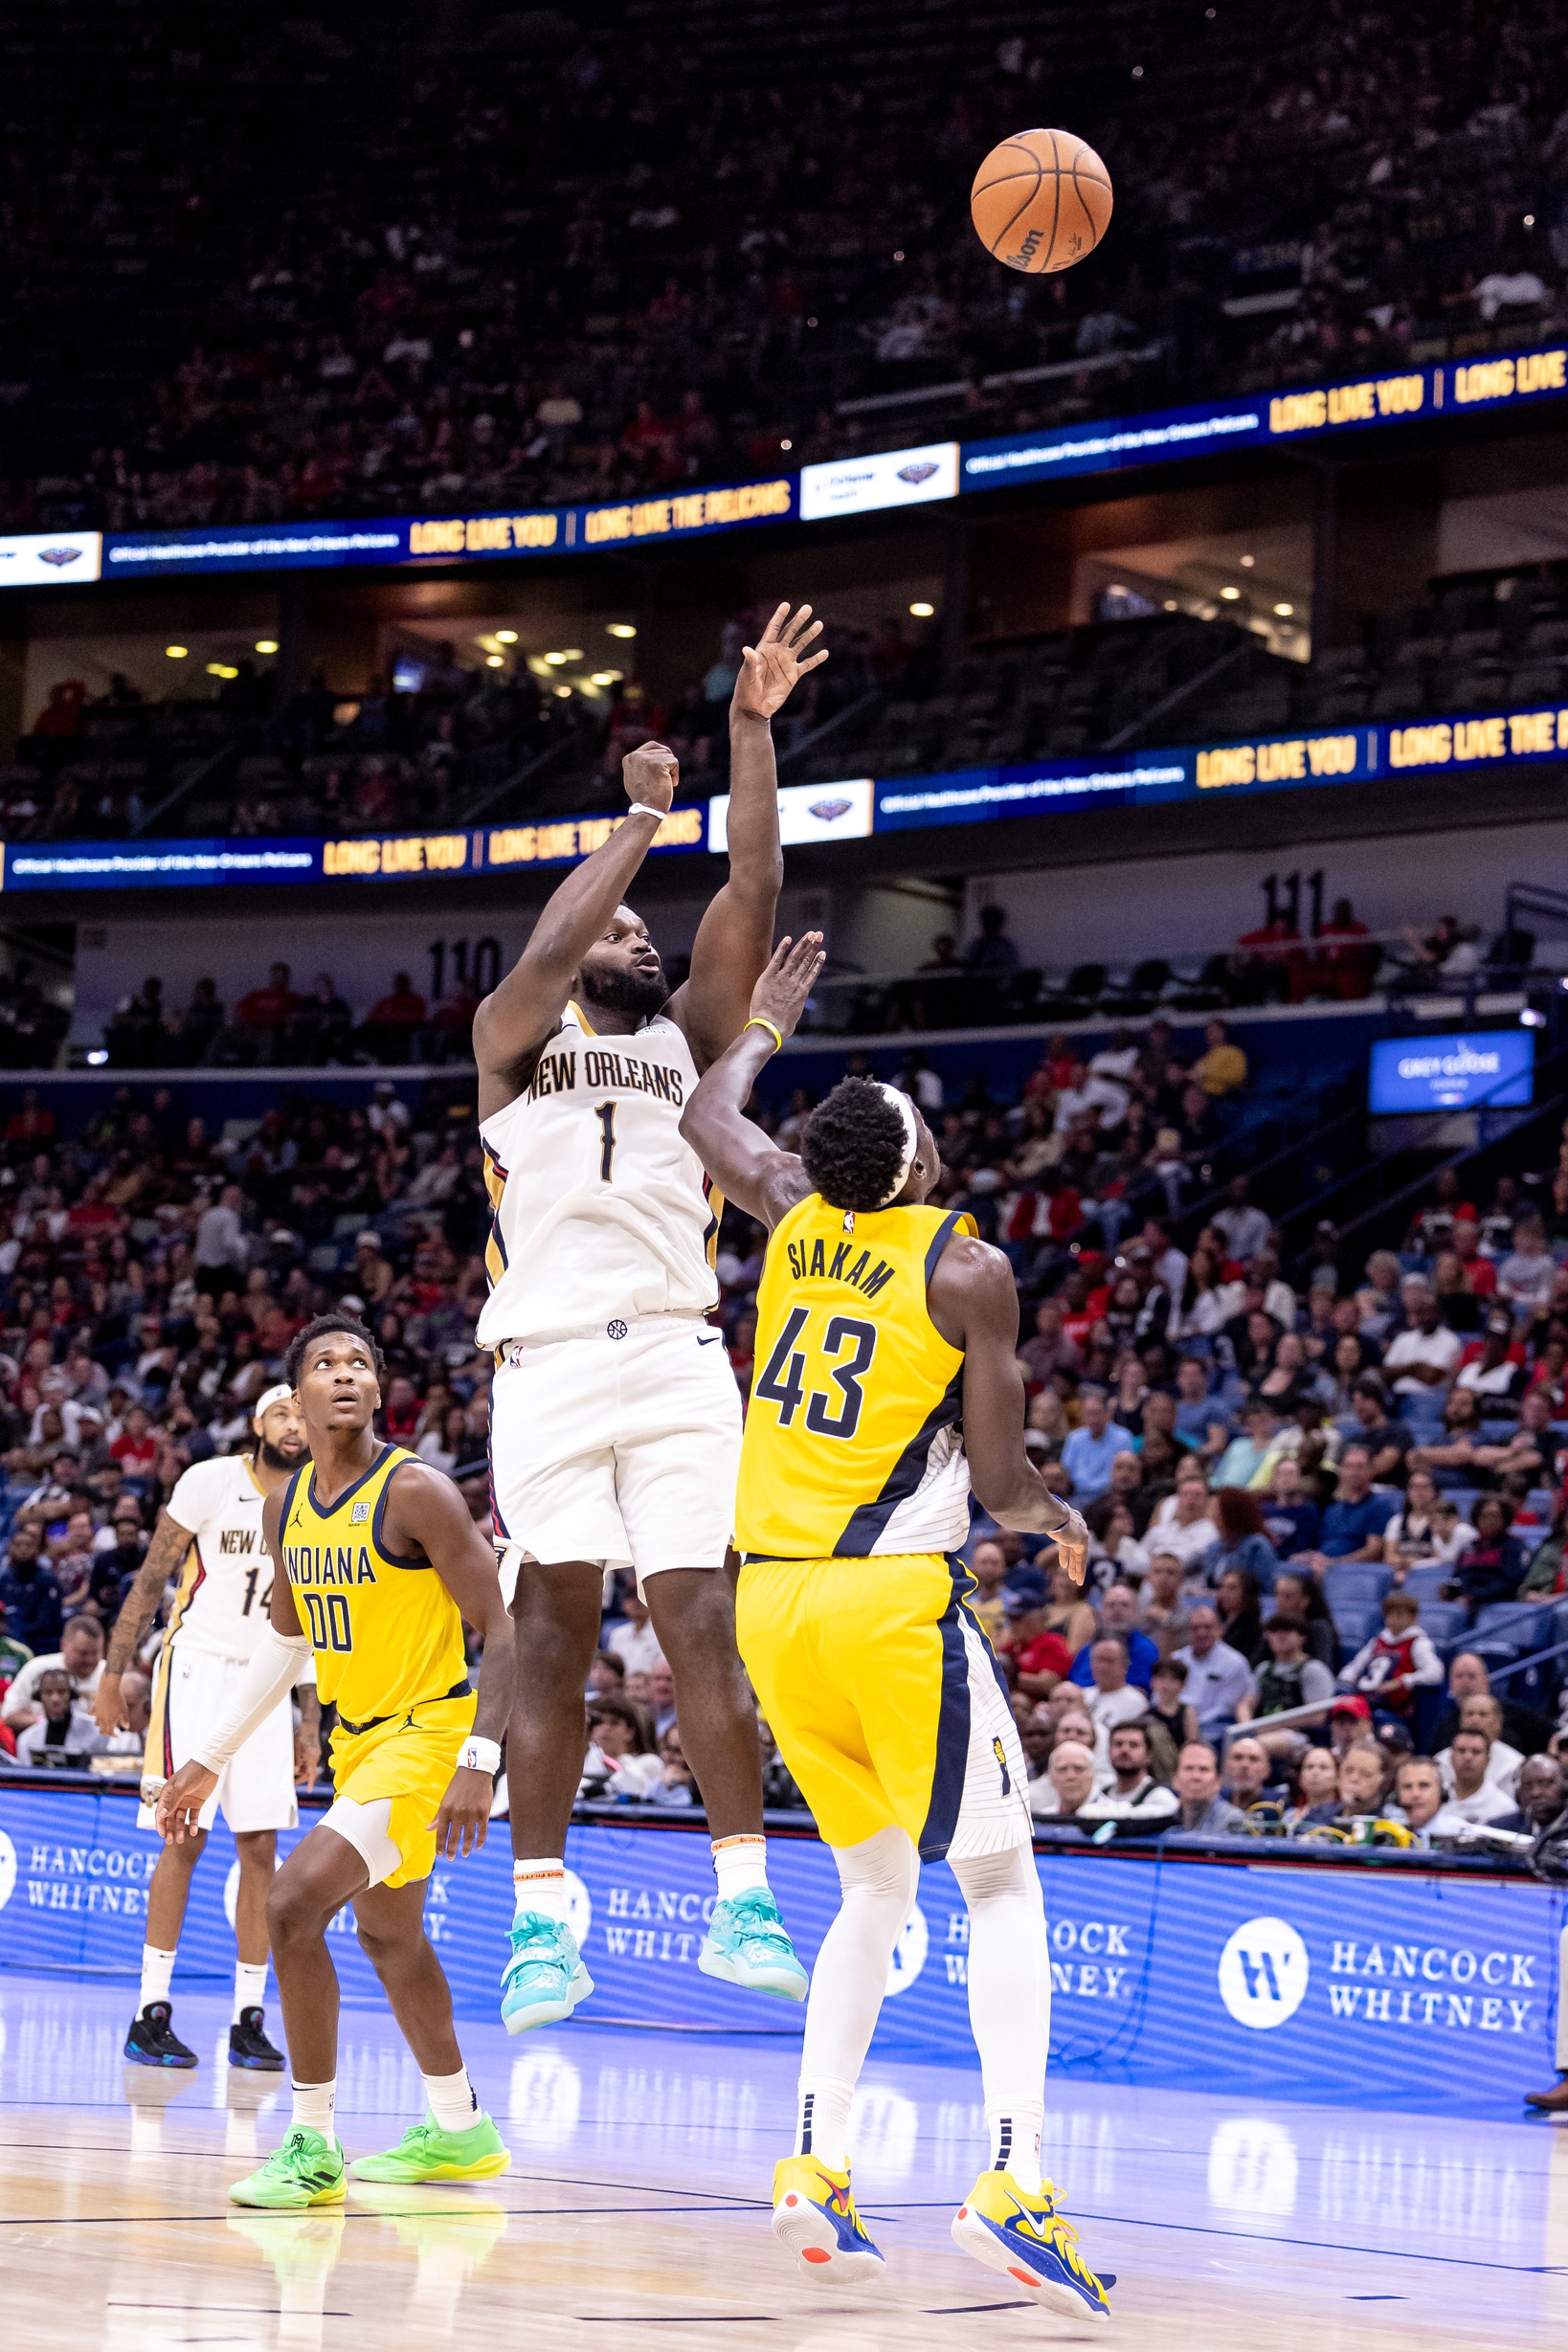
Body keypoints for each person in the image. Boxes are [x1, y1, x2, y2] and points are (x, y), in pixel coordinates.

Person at [676, 933, 1110, 2319]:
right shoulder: (966, 1269)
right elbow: (989, 1481)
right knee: (998, 1886)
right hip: (882, 1603)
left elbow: (703, 1119)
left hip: (768, 1604)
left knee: (873, 1889)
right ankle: (1011, 2181)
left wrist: (761, 1024)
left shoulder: (794, 1211)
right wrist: (1049, 1512)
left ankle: (816, 2161)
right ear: (919, 1169)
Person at [473, 606, 825, 2033]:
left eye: (639, 929)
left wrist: (748, 727)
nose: (629, 936)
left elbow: (751, 875)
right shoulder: (511, 1045)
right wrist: (629, 827)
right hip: (543, 1362)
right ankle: (543, 1923)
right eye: (614, 927)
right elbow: (553, 941)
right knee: (551, 1640)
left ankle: (741, 1896)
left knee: (699, 1623)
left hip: (679, 1351)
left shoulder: (687, 1039)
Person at [155, 1313, 518, 2206]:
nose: (345, 1373)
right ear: (296, 1396)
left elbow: (505, 1630)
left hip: (428, 1735)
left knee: (288, 1902)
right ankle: (460, 2125)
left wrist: (480, 1757)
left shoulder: (417, 1491)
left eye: (360, 1361)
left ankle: (311, 2140)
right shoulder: (285, 1507)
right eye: (325, 1363)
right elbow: (285, 1642)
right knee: (389, 1934)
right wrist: (205, 1758)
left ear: (379, 1388)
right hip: (360, 1741)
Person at [1174, 1603, 1253, 1743]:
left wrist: (1191, 1722)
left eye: (1208, 1627)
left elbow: (1225, 1707)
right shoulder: (1176, 1659)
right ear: (1187, 1632)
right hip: (1175, 1721)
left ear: (1220, 1630)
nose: (1201, 1633)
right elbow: (1159, 1696)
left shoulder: (1235, 1663)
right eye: (1195, 1628)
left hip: (1214, 1727)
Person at [1077, 1720, 1178, 1826]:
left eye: (1133, 1745)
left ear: (1149, 1755)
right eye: (1118, 1744)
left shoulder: (1160, 1797)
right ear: (1108, 1751)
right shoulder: (1098, 1795)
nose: (1124, 1750)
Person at [16, 1664, 107, 1766]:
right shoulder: (27, 1740)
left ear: (72, 1695)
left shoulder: (98, 1732)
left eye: (62, 1692)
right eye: (48, 1693)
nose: (55, 1699)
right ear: (39, 1697)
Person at [1060, 1385, 1136, 1501]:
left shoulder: (1123, 1437)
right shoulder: (1074, 1438)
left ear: (1107, 1413)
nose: (1093, 1419)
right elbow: (1066, 1470)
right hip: (1077, 1495)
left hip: (1110, 1496)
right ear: (1082, 1415)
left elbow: (1126, 1471)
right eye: (1089, 1414)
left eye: (1097, 1413)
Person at [1171, 1741, 1245, 1834]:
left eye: (1204, 1769)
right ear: (1175, 1780)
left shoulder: (1233, 1821)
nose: (1195, 1776)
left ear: (1218, 1782)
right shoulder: (1162, 1819)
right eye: (1188, 1768)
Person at [1028, 1737, 1099, 1822]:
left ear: (1093, 1775)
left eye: (1079, 1768)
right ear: (1051, 1777)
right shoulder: (1039, 1822)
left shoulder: (1113, 1815)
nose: (1070, 1776)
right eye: (1062, 1769)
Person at [1286, 1745, 1341, 1831]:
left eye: (1323, 1767)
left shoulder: (1342, 1816)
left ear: (1338, 1777)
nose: (1315, 1772)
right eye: (1309, 1767)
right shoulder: (1288, 1815)